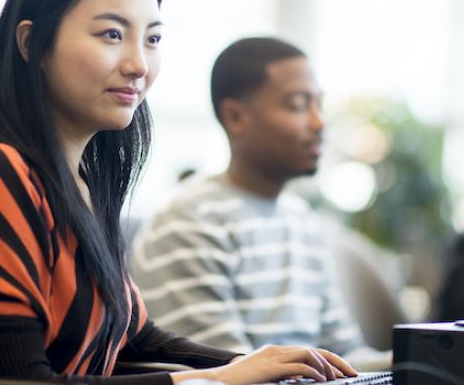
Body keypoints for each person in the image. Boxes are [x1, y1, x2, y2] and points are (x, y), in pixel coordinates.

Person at [0, 0, 357, 384]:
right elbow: (21, 382)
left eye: (152, 39)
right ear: (31, 44)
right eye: (112, 34)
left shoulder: (81, 186)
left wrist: (258, 365)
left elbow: (138, 338)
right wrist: (217, 379)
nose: (139, 64)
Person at [130, 37, 388, 370]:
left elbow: (345, 357)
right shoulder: (190, 221)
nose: (319, 122)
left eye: (319, 105)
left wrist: (422, 362)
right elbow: (231, 373)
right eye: (297, 105)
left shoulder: (302, 220)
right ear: (236, 117)